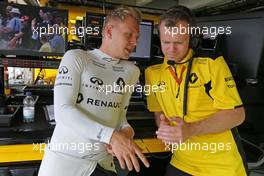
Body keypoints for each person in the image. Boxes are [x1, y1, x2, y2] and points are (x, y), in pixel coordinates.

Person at [38, 6, 149, 176]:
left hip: (102, 164)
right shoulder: (76, 57)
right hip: (64, 163)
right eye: (129, 35)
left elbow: (120, 116)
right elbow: (63, 112)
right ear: (110, 31)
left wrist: (127, 132)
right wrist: (111, 136)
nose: (135, 43)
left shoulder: (132, 71)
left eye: (137, 37)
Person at [145, 5, 246, 176]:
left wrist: (191, 129)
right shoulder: (152, 73)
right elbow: (158, 112)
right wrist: (163, 126)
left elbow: (237, 114)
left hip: (222, 167)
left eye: (178, 42)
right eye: (165, 42)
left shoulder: (212, 65)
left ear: (192, 39)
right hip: (182, 163)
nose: (171, 49)